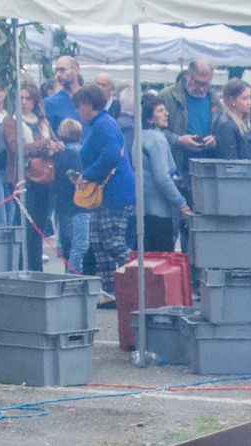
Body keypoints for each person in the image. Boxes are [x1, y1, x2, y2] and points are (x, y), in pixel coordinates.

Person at [72, 82, 136, 299]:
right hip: (107, 194)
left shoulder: (103, 124)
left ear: (90, 105)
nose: (76, 110)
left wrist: (87, 174)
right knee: (99, 243)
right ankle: (110, 292)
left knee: (112, 242)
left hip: (115, 194)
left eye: (79, 106)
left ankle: (141, 280)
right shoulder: (100, 123)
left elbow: (110, 156)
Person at [6, 79, 59, 272]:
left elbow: (56, 143)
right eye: (21, 98)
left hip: (45, 180)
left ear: (35, 101)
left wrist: (52, 146)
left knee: (40, 229)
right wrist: (45, 146)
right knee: (27, 229)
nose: (25, 102)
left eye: (28, 98)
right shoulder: (11, 121)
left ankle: (36, 270)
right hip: (23, 180)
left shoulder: (42, 121)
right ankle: (24, 270)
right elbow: (18, 148)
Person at [137, 92, 189, 253]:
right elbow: (162, 178)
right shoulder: (157, 139)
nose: (166, 113)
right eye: (160, 110)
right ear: (149, 118)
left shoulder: (138, 137)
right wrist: (181, 203)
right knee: (160, 263)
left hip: (141, 210)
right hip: (159, 213)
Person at [165, 60, 219, 199]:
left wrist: (215, 140)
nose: (202, 88)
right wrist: (179, 140)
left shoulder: (214, 100)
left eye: (206, 84)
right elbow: (154, 131)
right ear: (187, 75)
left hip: (207, 163)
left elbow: (221, 131)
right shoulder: (168, 96)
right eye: (198, 83)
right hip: (179, 164)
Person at [51, 117, 90, 272]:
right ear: (80, 136)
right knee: (80, 244)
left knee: (67, 242)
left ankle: (68, 271)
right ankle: (74, 275)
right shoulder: (83, 154)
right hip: (81, 205)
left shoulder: (58, 156)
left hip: (63, 204)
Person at [211, 78, 251, 161]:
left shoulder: (247, 122)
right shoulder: (226, 125)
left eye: (250, 98)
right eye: (244, 98)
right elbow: (231, 162)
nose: (249, 102)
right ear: (232, 100)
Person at [44, 54, 82, 130]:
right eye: (56, 70)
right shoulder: (50, 103)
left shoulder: (89, 99)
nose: (58, 74)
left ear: (76, 70)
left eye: (62, 70)